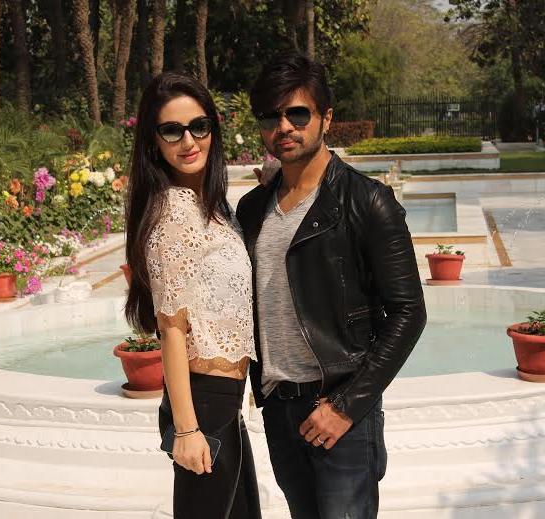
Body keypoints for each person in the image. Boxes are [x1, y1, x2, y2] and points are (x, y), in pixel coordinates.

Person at [236, 52, 427, 519]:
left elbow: (409, 312)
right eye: (270, 117)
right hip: (280, 410)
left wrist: (345, 406)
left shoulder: (367, 202)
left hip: (341, 410)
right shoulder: (252, 208)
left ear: (326, 118)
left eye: (298, 114)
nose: (284, 127)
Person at [124, 72, 261, 519]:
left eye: (199, 126)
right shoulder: (173, 213)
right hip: (203, 403)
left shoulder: (213, 208)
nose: (188, 141)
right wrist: (186, 430)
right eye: (172, 130)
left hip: (225, 401)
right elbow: (171, 329)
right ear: (154, 142)